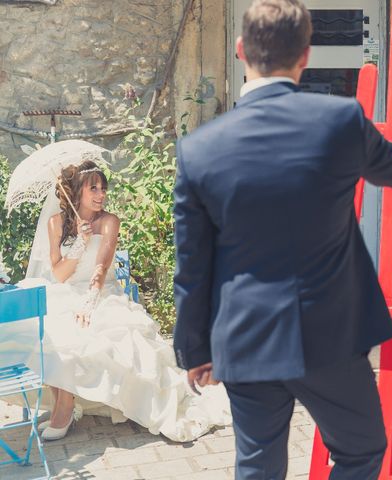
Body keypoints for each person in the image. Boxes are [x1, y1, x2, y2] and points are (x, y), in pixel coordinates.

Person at [172, 0, 392, 478]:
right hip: (327, 333)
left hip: (244, 337)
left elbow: (192, 266)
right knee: (362, 450)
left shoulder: (198, 151)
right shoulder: (339, 122)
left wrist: (195, 349)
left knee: (258, 467)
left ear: (242, 51)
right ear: (305, 55)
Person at [7, 159, 230, 442]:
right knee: (46, 334)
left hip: (100, 292)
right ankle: (65, 403)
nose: (101, 195)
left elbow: (102, 266)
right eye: (94, 189)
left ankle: (65, 408)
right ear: (77, 192)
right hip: (66, 291)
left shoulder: (109, 221)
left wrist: (90, 300)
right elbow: (60, 275)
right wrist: (80, 244)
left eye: (103, 189)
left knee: (93, 336)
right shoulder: (56, 223)